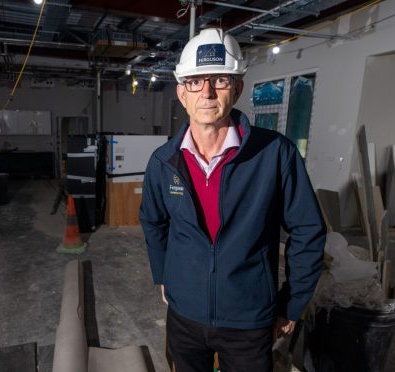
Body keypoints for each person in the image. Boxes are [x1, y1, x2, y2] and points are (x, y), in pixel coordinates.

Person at [139, 28, 325, 372]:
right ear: (182, 93)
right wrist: (163, 275)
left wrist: (292, 302)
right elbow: (153, 220)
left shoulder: (275, 154)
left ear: (237, 89)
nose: (207, 92)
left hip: (248, 318)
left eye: (220, 80)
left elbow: (308, 230)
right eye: (195, 82)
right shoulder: (163, 161)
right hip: (184, 315)